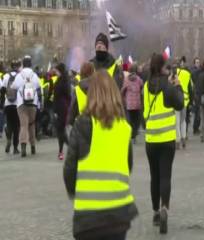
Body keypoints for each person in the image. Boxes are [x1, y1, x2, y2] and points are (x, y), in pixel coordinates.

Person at [64, 70, 138, 240]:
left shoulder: (83, 124)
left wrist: (75, 192)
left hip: (89, 216)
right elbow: (128, 165)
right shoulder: (124, 127)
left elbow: (69, 168)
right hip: (119, 213)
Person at [143, 53, 184, 234]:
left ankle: (155, 213)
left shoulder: (146, 86)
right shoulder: (168, 85)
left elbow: (145, 113)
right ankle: (164, 208)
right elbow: (180, 105)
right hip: (167, 138)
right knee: (165, 176)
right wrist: (179, 87)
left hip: (151, 139)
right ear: (161, 67)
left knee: (154, 176)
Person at [11, 56, 42, 157]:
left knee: (23, 125)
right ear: (31, 64)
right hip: (33, 103)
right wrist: (40, 104)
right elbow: (39, 89)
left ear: (23, 64)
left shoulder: (19, 75)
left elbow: (13, 87)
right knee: (31, 125)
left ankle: (23, 146)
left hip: (21, 104)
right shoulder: (35, 75)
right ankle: (33, 146)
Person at [0, 60, 21, 154]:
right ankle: (15, 148)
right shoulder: (20, 76)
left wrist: (2, 104)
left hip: (8, 104)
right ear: (17, 67)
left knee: (9, 123)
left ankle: (8, 139)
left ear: (11, 66)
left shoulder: (5, 76)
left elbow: (2, 91)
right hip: (17, 105)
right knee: (16, 126)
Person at [53, 63, 71, 160]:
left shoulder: (64, 81)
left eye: (56, 70)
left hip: (62, 108)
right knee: (60, 130)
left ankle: (69, 147)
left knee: (60, 130)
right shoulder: (60, 80)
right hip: (59, 107)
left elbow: (68, 95)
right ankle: (61, 151)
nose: (55, 72)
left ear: (60, 70)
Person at [121, 64, 143, 143]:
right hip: (137, 104)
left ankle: (130, 135)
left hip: (129, 104)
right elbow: (142, 87)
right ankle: (134, 135)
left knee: (129, 120)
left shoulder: (126, 80)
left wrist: (124, 97)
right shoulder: (139, 79)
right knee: (136, 120)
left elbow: (123, 90)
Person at [175, 57, 193, 149]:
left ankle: (177, 140)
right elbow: (191, 88)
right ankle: (183, 138)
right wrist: (191, 100)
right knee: (183, 121)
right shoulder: (187, 74)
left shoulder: (173, 74)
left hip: (175, 100)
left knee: (176, 121)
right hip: (185, 100)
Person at [191, 57, 202, 135]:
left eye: (198, 62)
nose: (198, 64)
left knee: (199, 112)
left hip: (199, 92)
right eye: (196, 62)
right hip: (195, 93)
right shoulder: (194, 71)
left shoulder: (199, 71)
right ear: (194, 63)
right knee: (197, 112)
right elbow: (194, 75)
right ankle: (195, 128)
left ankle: (197, 127)